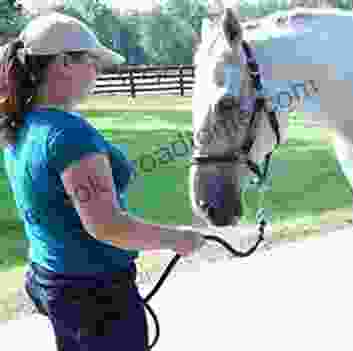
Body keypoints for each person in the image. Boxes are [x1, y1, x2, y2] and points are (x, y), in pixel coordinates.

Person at [1, 12, 216, 351]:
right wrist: (178, 238)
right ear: (62, 64)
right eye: (92, 60)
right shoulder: (68, 134)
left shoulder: (22, 125)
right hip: (96, 297)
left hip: (55, 281)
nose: (98, 71)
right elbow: (108, 226)